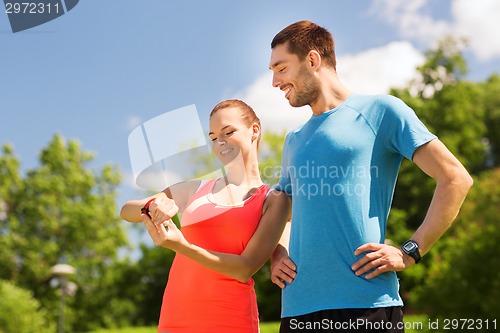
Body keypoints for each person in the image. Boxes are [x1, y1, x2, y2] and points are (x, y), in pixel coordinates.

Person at [268, 20, 473, 333]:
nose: (274, 81)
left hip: (366, 305)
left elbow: (455, 178)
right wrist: (277, 252)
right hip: (297, 310)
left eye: (281, 68)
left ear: (312, 60)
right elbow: (282, 210)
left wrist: (412, 250)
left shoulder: (381, 111)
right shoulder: (294, 138)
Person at [120, 99, 291, 333]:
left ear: (254, 130)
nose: (220, 143)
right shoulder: (194, 189)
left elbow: (244, 268)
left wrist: (182, 246)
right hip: (175, 318)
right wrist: (155, 203)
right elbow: (127, 210)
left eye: (228, 132)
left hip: (231, 320)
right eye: (213, 137)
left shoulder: (274, 200)